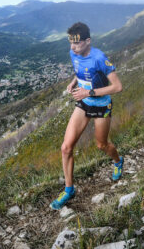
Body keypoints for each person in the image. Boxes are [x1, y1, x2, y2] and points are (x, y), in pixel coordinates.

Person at [50, 22, 123, 210]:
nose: (72, 48)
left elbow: (117, 86)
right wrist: (74, 82)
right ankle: (69, 189)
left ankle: (118, 161)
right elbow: (80, 71)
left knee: (102, 145)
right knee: (66, 148)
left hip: (100, 104)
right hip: (84, 102)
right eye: (70, 43)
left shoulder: (100, 58)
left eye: (76, 44)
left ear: (88, 41)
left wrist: (88, 93)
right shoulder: (73, 53)